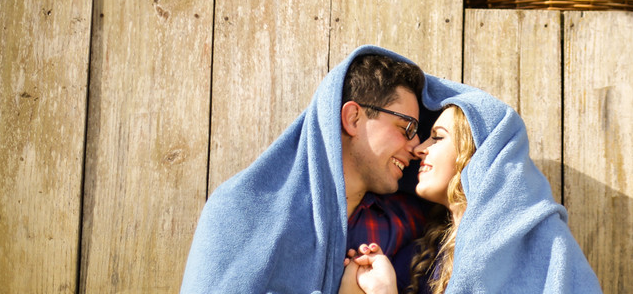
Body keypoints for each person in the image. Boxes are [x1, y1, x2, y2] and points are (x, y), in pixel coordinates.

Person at [180, 46, 431, 294]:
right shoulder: (240, 212)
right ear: (353, 118)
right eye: (406, 127)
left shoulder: (406, 221)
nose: (416, 145)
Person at [340, 87, 603, 294]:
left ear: (477, 156)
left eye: (438, 137)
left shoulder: (547, 245)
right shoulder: (417, 262)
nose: (419, 149)